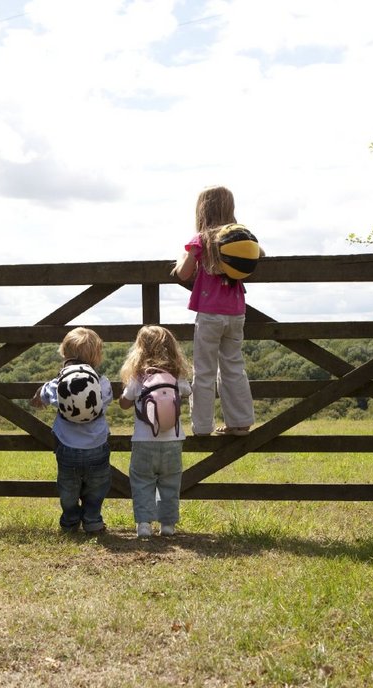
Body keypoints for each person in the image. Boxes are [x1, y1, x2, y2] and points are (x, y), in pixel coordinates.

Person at [172, 185, 257, 437]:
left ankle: (202, 427)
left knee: (204, 371)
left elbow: (183, 273)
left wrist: (183, 258)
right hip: (236, 313)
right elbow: (258, 254)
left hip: (210, 314)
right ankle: (240, 423)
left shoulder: (202, 240)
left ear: (203, 210)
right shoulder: (242, 238)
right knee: (233, 367)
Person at [31, 327, 113, 534]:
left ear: (65, 353)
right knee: (97, 488)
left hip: (66, 447)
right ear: (96, 355)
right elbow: (106, 402)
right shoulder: (102, 383)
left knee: (67, 489)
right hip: (97, 447)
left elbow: (41, 399)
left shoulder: (58, 383)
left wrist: (39, 396)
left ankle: (69, 521)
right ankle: (93, 521)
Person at [118, 325, 192, 538]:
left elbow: (125, 403)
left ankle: (143, 524)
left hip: (143, 441)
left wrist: (125, 398)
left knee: (142, 482)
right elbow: (187, 392)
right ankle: (167, 525)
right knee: (170, 482)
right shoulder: (176, 375)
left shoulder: (138, 376)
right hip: (173, 440)